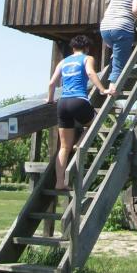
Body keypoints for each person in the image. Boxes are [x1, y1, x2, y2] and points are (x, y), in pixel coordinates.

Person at [47, 34, 110, 190]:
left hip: (62, 103)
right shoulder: (87, 58)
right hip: (79, 101)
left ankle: (59, 182)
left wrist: (50, 99)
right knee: (95, 121)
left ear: (73, 48)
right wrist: (102, 90)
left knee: (63, 147)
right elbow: (90, 73)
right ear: (87, 48)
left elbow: (52, 83)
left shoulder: (63, 62)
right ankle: (80, 144)